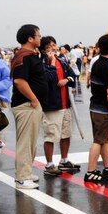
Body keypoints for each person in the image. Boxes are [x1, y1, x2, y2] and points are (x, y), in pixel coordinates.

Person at [10, 24, 47, 190]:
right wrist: (33, 99)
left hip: (32, 104)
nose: (40, 38)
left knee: (31, 141)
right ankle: (22, 178)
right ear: (30, 39)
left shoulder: (31, 55)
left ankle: (27, 172)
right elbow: (19, 81)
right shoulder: (23, 57)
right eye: (38, 35)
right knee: (25, 142)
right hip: (26, 105)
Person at [38, 37, 79, 176]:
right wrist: (52, 63)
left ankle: (64, 160)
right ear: (44, 49)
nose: (54, 48)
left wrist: (67, 79)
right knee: (50, 135)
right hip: (51, 105)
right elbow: (49, 78)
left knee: (66, 134)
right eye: (50, 46)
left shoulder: (62, 61)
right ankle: (49, 164)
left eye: (55, 45)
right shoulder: (41, 63)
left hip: (65, 103)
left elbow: (73, 77)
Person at [84, 35, 108, 183]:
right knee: (99, 140)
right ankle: (90, 171)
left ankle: (107, 166)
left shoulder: (97, 63)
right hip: (102, 109)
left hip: (94, 106)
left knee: (104, 139)